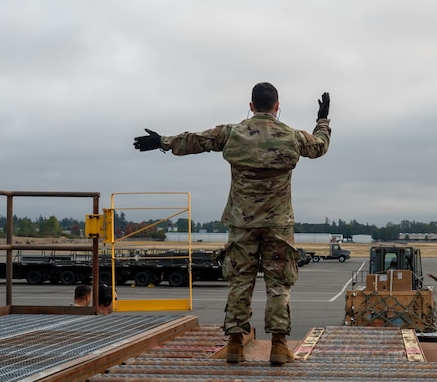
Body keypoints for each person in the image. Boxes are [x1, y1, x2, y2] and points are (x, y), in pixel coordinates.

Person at [134, 83, 331, 365]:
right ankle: (278, 345)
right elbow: (319, 146)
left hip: (242, 223)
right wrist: (322, 121)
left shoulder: (233, 133)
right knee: (278, 285)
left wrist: (163, 141)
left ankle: (236, 345)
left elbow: (197, 140)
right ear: (277, 106)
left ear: (250, 106)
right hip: (278, 223)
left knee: (240, 282)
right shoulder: (292, 136)